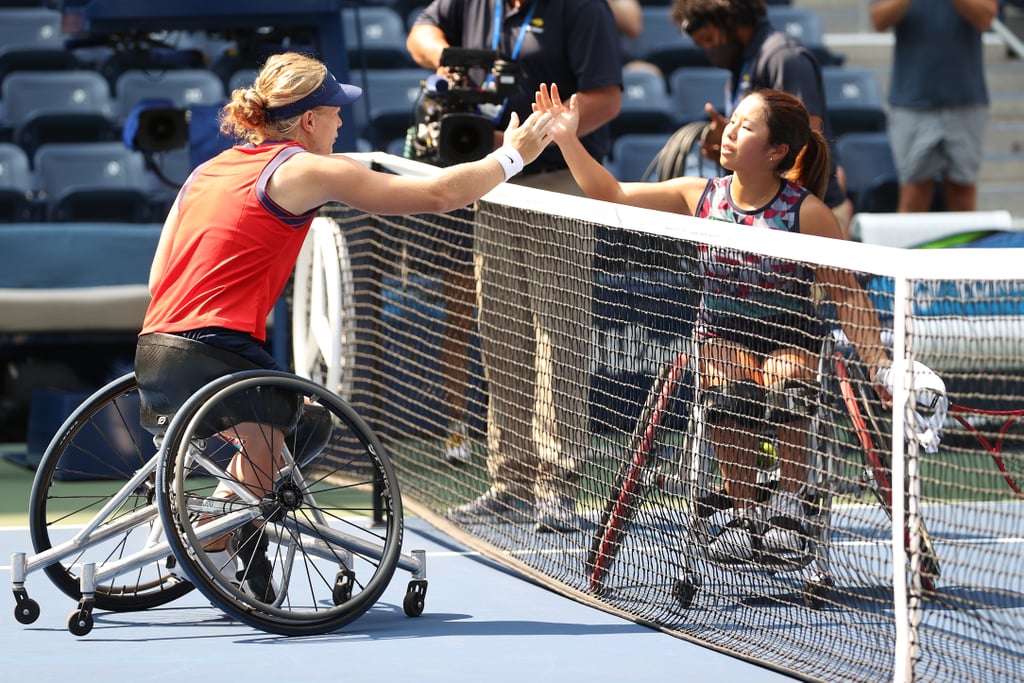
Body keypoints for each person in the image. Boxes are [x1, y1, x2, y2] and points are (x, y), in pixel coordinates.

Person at [133, 50, 556, 600]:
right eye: (335, 112)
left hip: (154, 351)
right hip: (216, 348)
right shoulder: (307, 168)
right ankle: (214, 535)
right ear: (309, 119)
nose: (341, 122)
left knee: (294, 426)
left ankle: (220, 522)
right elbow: (440, 195)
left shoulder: (205, 170)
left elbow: (155, 277)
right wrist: (513, 156)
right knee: (305, 424)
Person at [534, 83, 890, 563]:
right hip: (722, 332)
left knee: (788, 382)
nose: (728, 133)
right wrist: (567, 139)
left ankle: (788, 508)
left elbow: (848, 298)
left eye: (745, 127)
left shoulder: (807, 213)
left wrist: (881, 368)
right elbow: (609, 194)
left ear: (776, 151)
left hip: (789, 334)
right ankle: (744, 514)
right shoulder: (697, 195)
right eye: (732, 120)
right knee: (730, 391)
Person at [407, 0, 623, 532]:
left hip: (556, 181)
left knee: (559, 332)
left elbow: (606, 97)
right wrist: (447, 58)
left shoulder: (581, 8)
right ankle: (510, 480)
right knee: (500, 329)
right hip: (495, 178)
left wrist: (547, 131)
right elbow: (420, 30)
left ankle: (558, 486)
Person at [668, 0, 854, 237]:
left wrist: (789, 212)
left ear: (730, 20)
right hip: (768, 215)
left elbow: (805, 139)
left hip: (803, 220)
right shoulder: (742, 65)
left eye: (709, 38)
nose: (709, 50)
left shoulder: (784, 57)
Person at [870, 0, 998, 212]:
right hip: (912, 101)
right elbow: (878, 20)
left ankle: (966, 247)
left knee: (963, 192)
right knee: (913, 192)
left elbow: (986, 17)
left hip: (965, 99)